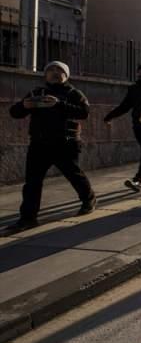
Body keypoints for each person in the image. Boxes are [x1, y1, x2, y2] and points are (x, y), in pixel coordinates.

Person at [9, 61, 96, 229]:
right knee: (32, 183)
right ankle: (28, 218)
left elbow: (84, 112)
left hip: (65, 144)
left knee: (74, 175)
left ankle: (88, 199)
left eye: (59, 70)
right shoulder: (36, 92)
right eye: (51, 70)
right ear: (45, 74)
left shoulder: (74, 93)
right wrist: (23, 105)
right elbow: (15, 113)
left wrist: (59, 104)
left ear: (66, 75)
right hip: (39, 145)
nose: (55, 73)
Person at [104, 64, 141, 191]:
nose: (140, 74)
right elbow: (125, 106)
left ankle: (138, 179)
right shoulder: (133, 89)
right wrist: (110, 116)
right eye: (139, 72)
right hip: (138, 124)